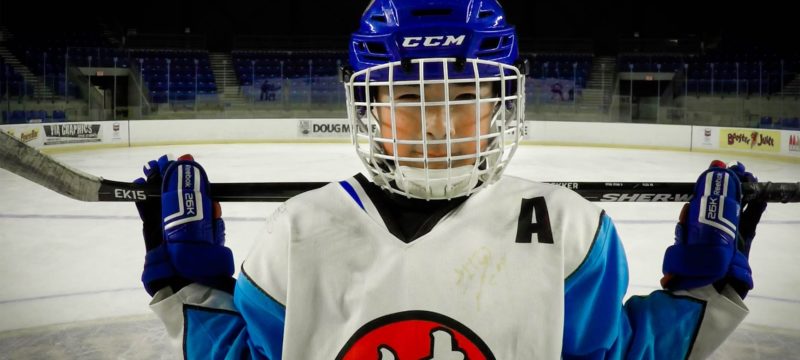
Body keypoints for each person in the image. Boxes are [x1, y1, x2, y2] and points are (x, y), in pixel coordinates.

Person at [134, 1, 767, 358]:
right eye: (408, 94)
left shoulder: (573, 232)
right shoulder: (298, 231)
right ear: (371, 106)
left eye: (464, 92)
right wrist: (193, 289)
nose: (438, 123)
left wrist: (701, 293)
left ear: (502, 104)